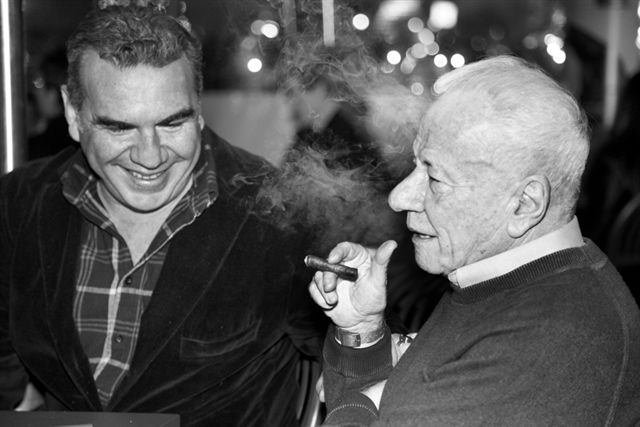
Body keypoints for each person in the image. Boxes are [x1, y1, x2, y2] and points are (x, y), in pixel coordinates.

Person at [0, 4, 325, 426]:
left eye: (172, 123)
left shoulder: (276, 212)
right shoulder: (19, 202)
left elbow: (351, 359)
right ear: (73, 114)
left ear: (199, 108)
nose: (150, 157)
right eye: (119, 127)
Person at [309, 55, 640, 425]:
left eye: (435, 178)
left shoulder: (550, 338)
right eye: (416, 166)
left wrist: (372, 398)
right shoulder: (498, 281)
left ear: (524, 204)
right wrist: (362, 332)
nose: (399, 198)